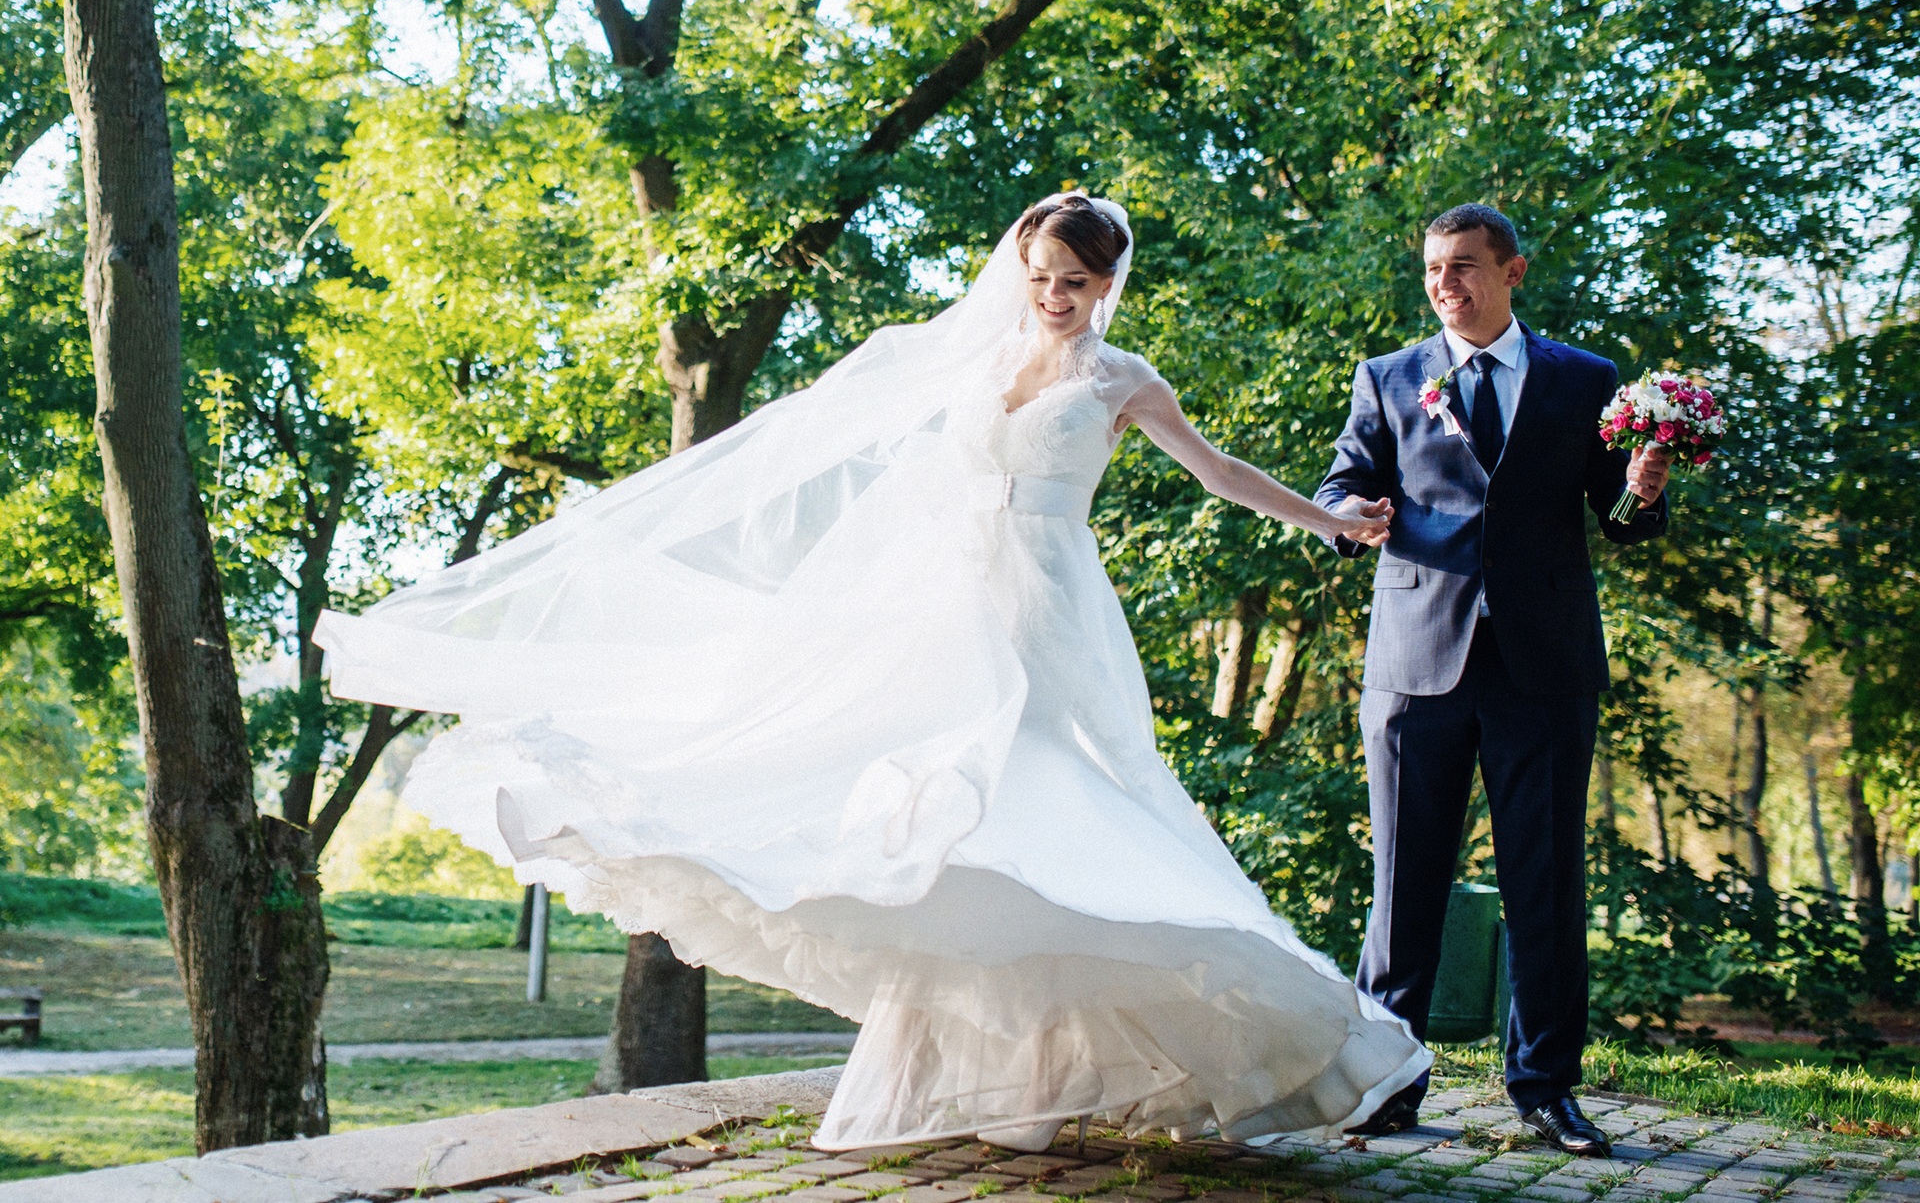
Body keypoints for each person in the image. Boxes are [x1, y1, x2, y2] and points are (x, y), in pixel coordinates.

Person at [317, 193, 1428, 1150]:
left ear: (1106, 283)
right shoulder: (972, 360)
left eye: (1075, 282)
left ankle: (1084, 1065)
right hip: (945, 607)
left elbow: (1219, 470)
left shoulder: (1122, 381)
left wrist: (1325, 516)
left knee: (1047, 812)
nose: (1053, 295)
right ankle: (977, 1072)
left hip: (1049, 611)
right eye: (1041, 275)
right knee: (926, 821)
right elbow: (871, 462)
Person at [1315, 203, 1674, 1158]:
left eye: (1466, 266)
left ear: (1512, 272)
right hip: (1413, 665)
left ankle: (1546, 1090)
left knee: (1544, 882)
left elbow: (1622, 519)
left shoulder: (1586, 380)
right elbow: (1337, 486)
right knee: (1404, 885)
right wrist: (1351, 510)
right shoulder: (1388, 378)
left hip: (1544, 668)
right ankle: (1388, 1083)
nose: (1446, 283)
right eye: (1435, 268)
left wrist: (1643, 490)